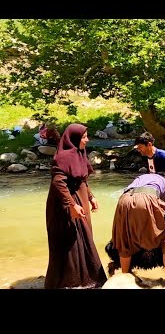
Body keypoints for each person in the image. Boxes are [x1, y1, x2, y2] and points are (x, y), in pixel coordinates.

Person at [45, 123, 107, 289]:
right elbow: (58, 182)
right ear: (74, 139)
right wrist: (71, 205)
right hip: (64, 205)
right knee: (70, 242)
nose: (87, 140)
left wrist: (91, 197)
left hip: (79, 200)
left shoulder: (79, 153)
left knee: (84, 238)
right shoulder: (62, 158)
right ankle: (69, 281)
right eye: (84, 137)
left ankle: (85, 278)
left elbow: (81, 179)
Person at [111, 173, 165, 287]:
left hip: (123, 200)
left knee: (125, 239)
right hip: (147, 198)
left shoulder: (143, 178)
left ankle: (125, 278)